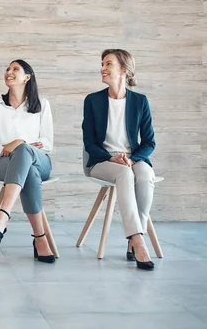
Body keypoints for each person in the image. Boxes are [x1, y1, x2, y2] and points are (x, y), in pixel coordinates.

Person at [82, 49, 156, 270]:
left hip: (132, 160)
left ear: (124, 70)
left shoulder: (140, 101)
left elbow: (149, 142)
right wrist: (111, 159)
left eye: (108, 64)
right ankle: (138, 239)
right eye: (102, 64)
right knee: (124, 173)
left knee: (145, 175)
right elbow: (89, 143)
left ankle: (134, 238)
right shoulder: (93, 100)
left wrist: (134, 160)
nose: (102, 68)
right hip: (102, 162)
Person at [0, 60, 55, 263]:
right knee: (27, 170)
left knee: (24, 151)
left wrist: (19, 143)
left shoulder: (42, 104)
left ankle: (3, 215)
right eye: (7, 69)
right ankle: (40, 239)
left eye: (15, 69)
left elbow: (47, 144)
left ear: (27, 77)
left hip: (41, 163)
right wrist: (14, 149)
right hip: (1, 164)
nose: (9, 72)